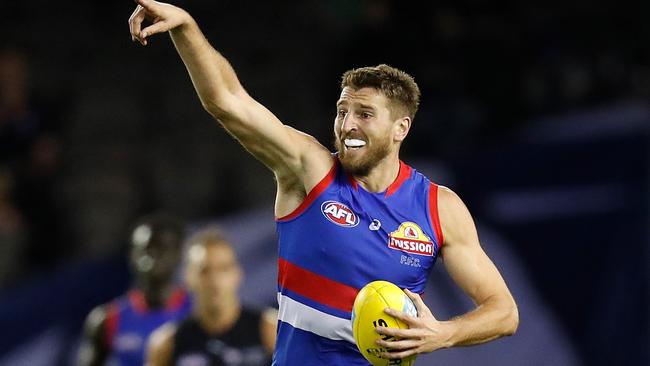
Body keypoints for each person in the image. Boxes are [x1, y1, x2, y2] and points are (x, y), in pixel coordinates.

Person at [128, 1, 519, 364]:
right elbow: (228, 101)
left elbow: (504, 312)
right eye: (342, 110)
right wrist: (187, 28)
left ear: (401, 128)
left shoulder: (439, 207)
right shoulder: (309, 171)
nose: (347, 124)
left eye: (365, 114)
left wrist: (444, 333)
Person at [146, 227, 277, 366]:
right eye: (204, 271)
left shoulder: (270, 331)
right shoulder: (166, 343)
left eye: (223, 268)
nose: (214, 280)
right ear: (188, 278)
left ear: (237, 273)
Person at [77, 213, 192, 366]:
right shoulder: (109, 319)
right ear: (132, 255)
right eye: (146, 249)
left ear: (179, 254)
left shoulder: (198, 314)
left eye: (162, 248)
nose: (152, 256)